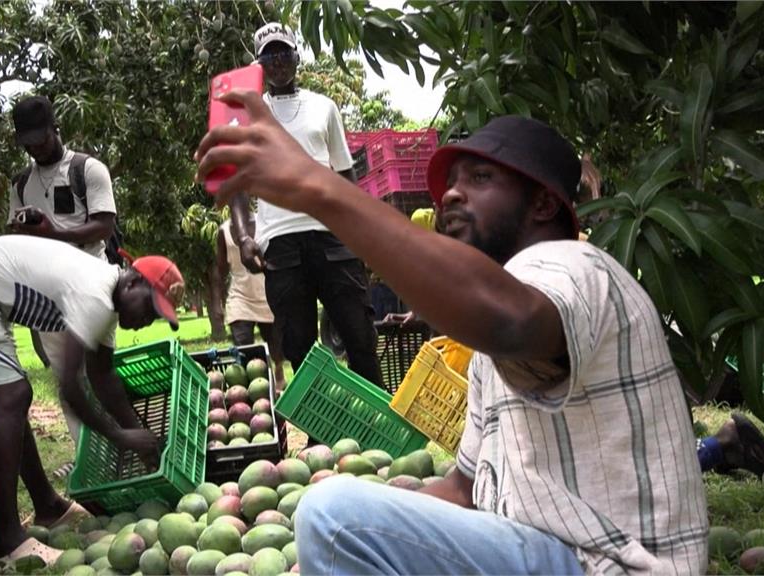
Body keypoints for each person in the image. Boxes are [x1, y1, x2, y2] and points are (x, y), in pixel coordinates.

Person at [195, 93, 709, 573]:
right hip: (550, 550)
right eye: (451, 184)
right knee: (343, 516)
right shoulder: (494, 340)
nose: (452, 194)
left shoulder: (574, 266)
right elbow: (463, 488)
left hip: (609, 564)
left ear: (543, 205)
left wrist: (314, 185)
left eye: (481, 178)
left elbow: (508, 319)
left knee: (333, 514)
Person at [0, 235, 184, 562]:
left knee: (13, 398)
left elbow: (103, 378)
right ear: (132, 283)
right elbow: (70, 387)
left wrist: (144, 443)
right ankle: (8, 539)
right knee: (13, 396)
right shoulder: (95, 293)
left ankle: (47, 507)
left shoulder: (105, 301)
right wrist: (119, 435)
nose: (148, 320)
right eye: (151, 307)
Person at [225, 23, 382, 388]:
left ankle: (378, 426)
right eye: (269, 56)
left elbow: (345, 176)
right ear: (258, 65)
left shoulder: (323, 108)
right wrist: (244, 236)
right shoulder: (246, 115)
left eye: (284, 53)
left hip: (331, 235)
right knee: (300, 345)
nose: (278, 61)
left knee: (359, 334)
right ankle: (320, 434)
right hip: (280, 242)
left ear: (297, 56)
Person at [8, 95, 120, 467]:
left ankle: (120, 447)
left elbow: (104, 225)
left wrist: (54, 233)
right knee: (66, 378)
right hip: (46, 295)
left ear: (57, 130)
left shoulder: (87, 169)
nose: (37, 148)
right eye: (28, 144)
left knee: (98, 373)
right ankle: (87, 456)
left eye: (41, 139)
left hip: (90, 282)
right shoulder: (21, 184)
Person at [215, 218, 287, 389]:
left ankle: (278, 371)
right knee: (244, 348)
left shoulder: (264, 222)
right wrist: (217, 303)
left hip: (267, 294)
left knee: (276, 348)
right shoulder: (223, 231)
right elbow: (220, 269)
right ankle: (258, 387)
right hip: (240, 298)